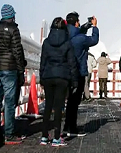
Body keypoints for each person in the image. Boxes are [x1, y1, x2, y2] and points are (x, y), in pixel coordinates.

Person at [39, 17, 78, 147]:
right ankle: (56, 138)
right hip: (62, 77)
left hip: (48, 76)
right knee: (58, 107)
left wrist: (42, 77)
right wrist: (74, 81)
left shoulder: (46, 42)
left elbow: (43, 61)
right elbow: (72, 63)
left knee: (48, 106)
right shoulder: (67, 43)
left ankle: (44, 136)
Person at [63, 12, 99, 137]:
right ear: (76, 22)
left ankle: (66, 126)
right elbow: (94, 40)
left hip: (64, 72)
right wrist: (94, 27)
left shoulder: (63, 34)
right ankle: (72, 128)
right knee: (74, 102)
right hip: (78, 72)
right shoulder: (80, 39)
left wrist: (87, 25)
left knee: (68, 102)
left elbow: (77, 31)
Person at [0, 4, 26, 145]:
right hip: (9, 68)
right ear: (12, 16)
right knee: (9, 102)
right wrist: (21, 70)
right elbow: (17, 51)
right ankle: (9, 134)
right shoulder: (14, 30)